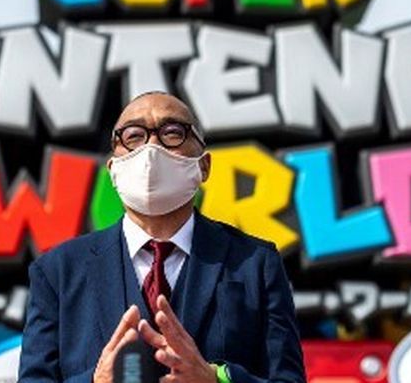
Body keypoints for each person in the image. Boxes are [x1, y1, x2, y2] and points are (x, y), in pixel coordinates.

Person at [18, 91, 306, 383]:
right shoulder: (57, 271)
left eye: (172, 133)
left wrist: (217, 379)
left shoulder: (256, 263)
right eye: (133, 136)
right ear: (113, 169)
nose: (151, 147)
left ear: (204, 166)